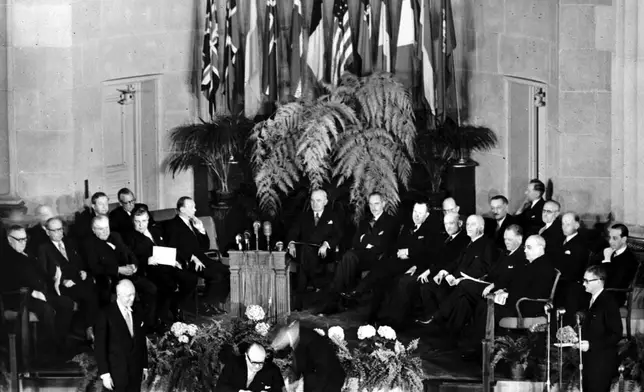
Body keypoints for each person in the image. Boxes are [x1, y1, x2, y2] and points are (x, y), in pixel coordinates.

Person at [424, 225, 528, 338]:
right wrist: (479, 280)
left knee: (463, 284)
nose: (506, 242)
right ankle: (450, 336)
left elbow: (512, 279)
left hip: (497, 291)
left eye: (510, 239)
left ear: (519, 239)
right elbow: (492, 273)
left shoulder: (522, 256)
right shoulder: (504, 253)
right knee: (463, 301)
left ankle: (439, 316)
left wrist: (493, 285)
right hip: (487, 285)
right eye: (505, 239)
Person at [377, 212, 469, 327]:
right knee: (400, 279)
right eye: (446, 224)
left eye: (451, 223)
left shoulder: (463, 240)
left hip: (442, 273)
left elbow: (449, 262)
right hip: (430, 269)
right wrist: (417, 266)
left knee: (406, 283)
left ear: (460, 223)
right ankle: (389, 316)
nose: (448, 227)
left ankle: (397, 322)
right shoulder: (445, 237)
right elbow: (432, 256)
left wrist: (429, 271)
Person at [2, 225, 75, 357]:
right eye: (19, 239)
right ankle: (51, 350)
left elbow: (41, 273)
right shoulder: (5, 258)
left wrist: (55, 278)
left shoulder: (28, 253)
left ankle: (60, 341)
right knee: (46, 310)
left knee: (66, 303)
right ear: (9, 239)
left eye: (25, 239)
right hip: (20, 298)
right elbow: (6, 284)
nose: (23, 242)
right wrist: (31, 292)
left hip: (40, 293)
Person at [472, 234, 557, 339]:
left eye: (529, 247)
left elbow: (534, 294)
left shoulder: (544, 268)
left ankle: (484, 347)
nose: (525, 250)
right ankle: (482, 346)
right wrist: (503, 291)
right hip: (518, 303)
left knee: (487, 308)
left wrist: (507, 296)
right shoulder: (531, 264)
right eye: (525, 247)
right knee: (482, 304)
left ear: (540, 248)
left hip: (525, 308)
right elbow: (519, 284)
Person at [417, 215, 496, 322]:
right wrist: (443, 272)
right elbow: (456, 262)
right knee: (428, 287)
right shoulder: (468, 243)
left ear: (481, 227)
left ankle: (437, 318)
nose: (469, 227)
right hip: (454, 279)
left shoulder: (487, 244)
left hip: (468, 283)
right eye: (467, 224)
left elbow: (486, 269)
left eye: (473, 224)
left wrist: (461, 278)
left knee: (443, 291)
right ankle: (433, 322)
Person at [125, 207, 197, 324]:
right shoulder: (130, 238)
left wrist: (176, 260)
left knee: (190, 279)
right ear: (133, 221)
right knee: (167, 283)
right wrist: (146, 260)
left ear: (148, 220)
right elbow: (131, 258)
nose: (140, 225)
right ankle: (161, 318)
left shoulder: (155, 231)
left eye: (144, 221)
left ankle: (175, 305)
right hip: (150, 269)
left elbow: (168, 247)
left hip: (168, 264)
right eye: (137, 221)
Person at [84, 215, 158, 328]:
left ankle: (147, 325)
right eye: (101, 229)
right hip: (110, 279)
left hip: (129, 274)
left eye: (107, 227)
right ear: (93, 230)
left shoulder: (116, 236)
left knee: (151, 288)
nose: (105, 232)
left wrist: (134, 265)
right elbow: (94, 268)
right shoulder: (90, 244)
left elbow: (129, 253)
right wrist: (118, 269)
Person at [164, 196, 230, 314]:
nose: (195, 210)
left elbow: (205, 247)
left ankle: (212, 302)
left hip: (202, 258)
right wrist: (191, 257)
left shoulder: (193, 223)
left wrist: (201, 230)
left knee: (227, 272)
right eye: (192, 207)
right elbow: (172, 248)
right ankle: (205, 305)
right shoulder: (172, 225)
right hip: (187, 262)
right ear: (182, 209)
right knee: (216, 276)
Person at [38, 216, 98, 341]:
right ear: (47, 231)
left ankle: (90, 328)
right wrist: (62, 280)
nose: (59, 233)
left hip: (77, 280)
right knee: (88, 294)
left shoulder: (70, 242)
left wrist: (83, 271)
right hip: (60, 285)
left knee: (94, 289)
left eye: (60, 229)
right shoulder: (44, 248)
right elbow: (44, 273)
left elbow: (79, 262)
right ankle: (88, 329)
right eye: (54, 230)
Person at [332, 193, 399, 301]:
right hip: (362, 255)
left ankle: (339, 295)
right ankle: (342, 294)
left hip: (379, 257)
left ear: (383, 203)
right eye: (371, 204)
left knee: (349, 257)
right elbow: (355, 242)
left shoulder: (390, 221)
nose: (373, 208)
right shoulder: (364, 221)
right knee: (347, 257)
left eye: (376, 204)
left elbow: (383, 244)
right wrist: (370, 241)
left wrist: (365, 239)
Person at [286, 189, 343, 310]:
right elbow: (293, 232)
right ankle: (318, 282)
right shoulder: (304, 216)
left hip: (324, 253)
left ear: (326, 201)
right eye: (312, 201)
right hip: (306, 252)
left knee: (303, 263)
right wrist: (291, 243)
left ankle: (299, 300)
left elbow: (338, 235)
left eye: (318, 200)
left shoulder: (333, 216)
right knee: (306, 251)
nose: (315, 204)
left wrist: (326, 244)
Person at [95, 279, 149, 392]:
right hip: (116, 375)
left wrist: (144, 366)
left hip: (135, 374)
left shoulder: (138, 311)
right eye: (128, 296)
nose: (132, 298)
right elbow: (100, 346)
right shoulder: (106, 313)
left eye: (134, 295)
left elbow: (141, 342)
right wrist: (105, 374)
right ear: (118, 295)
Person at [576, 265, 622, 392]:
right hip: (589, 361)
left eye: (587, 281)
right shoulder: (590, 300)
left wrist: (591, 345)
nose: (584, 284)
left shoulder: (608, 302)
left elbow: (616, 334)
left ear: (598, 281)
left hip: (601, 363)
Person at [271, 321, 345, 392]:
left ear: (282, 333)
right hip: (320, 380)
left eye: (277, 342)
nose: (277, 346)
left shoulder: (311, 341)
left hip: (328, 382)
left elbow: (323, 371)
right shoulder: (297, 337)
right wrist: (294, 383)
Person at [554, 212, 590, 325]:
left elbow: (576, 269)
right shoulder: (559, 240)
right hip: (560, 281)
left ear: (576, 225)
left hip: (572, 283)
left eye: (568, 224)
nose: (564, 227)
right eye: (563, 224)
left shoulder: (580, 244)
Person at [595, 223, 639, 306]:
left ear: (623, 239)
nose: (610, 241)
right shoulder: (607, 251)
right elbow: (592, 269)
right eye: (610, 237)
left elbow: (614, 283)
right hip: (598, 291)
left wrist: (607, 260)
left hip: (614, 296)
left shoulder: (630, 259)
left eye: (614, 238)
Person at [214, 343, 285, 392]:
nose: (257, 367)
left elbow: (279, 389)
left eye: (261, 363)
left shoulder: (273, 370)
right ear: (246, 357)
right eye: (254, 363)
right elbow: (220, 388)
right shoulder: (234, 364)